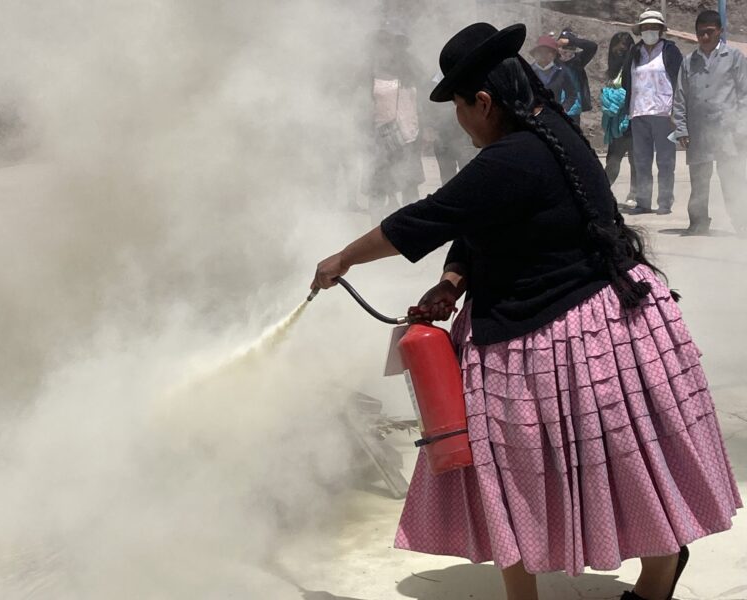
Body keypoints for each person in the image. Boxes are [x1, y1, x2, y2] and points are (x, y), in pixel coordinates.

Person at [312, 22, 740, 600]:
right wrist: (453, 280)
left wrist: (342, 258)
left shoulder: (510, 158)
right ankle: (658, 572)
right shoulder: (549, 129)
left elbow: (426, 218)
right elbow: (482, 220)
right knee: (624, 465)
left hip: (553, 334)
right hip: (608, 318)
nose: (459, 123)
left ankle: (614, 582)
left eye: (460, 108)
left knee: (509, 473)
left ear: (483, 103)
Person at [673, 10, 747, 236]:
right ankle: (698, 223)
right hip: (699, 132)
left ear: (720, 31)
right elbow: (680, 97)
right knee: (699, 181)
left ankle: (742, 223)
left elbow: (744, 95)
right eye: (700, 33)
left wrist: (741, 127)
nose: (704, 37)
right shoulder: (688, 62)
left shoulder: (734, 58)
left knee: (732, 179)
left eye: (709, 32)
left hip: (728, 133)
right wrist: (681, 128)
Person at [363, 22, 426, 225]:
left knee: (409, 184)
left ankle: (411, 227)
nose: (391, 47)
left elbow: (424, 102)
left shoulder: (412, 70)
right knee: (378, 185)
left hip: (409, 136)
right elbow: (360, 105)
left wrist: (428, 129)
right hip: (380, 137)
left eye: (397, 43)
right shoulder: (370, 72)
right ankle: (376, 229)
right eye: (385, 42)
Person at [622, 10, 683, 215]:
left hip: (664, 113)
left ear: (661, 30)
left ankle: (665, 202)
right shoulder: (634, 52)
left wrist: (677, 110)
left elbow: (680, 81)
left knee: (665, 160)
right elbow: (627, 80)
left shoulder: (670, 51)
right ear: (640, 30)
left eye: (654, 27)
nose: (650, 31)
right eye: (646, 27)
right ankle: (643, 201)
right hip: (639, 112)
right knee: (641, 160)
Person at [602, 32, 638, 206]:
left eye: (624, 47)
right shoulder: (612, 70)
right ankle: (603, 191)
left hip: (631, 118)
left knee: (634, 158)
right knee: (613, 158)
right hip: (616, 121)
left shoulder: (632, 66)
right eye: (617, 47)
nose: (620, 51)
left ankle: (634, 193)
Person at [426, 71, 478, 185]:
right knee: (447, 179)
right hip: (442, 139)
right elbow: (427, 109)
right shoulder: (432, 82)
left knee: (468, 177)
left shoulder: (466, 79)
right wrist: (431, 129)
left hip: (465, 137)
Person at [557, 27, 598, 125]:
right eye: (564, 48)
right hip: (556, 106)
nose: (567, 52)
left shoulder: (578, 60)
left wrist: (571, 40)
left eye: (571, 48)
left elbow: (592, 47)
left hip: (573, 108)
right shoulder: (553, 60)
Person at [530, 35, 579, 116]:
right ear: (536, 53)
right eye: (541, 51)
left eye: (548, 52)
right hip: (532, 116)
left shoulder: (561, 72)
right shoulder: (528, 71)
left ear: (554, 55)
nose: (544, 55)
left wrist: (564, 108)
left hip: (554, 115)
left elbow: (572, 94)